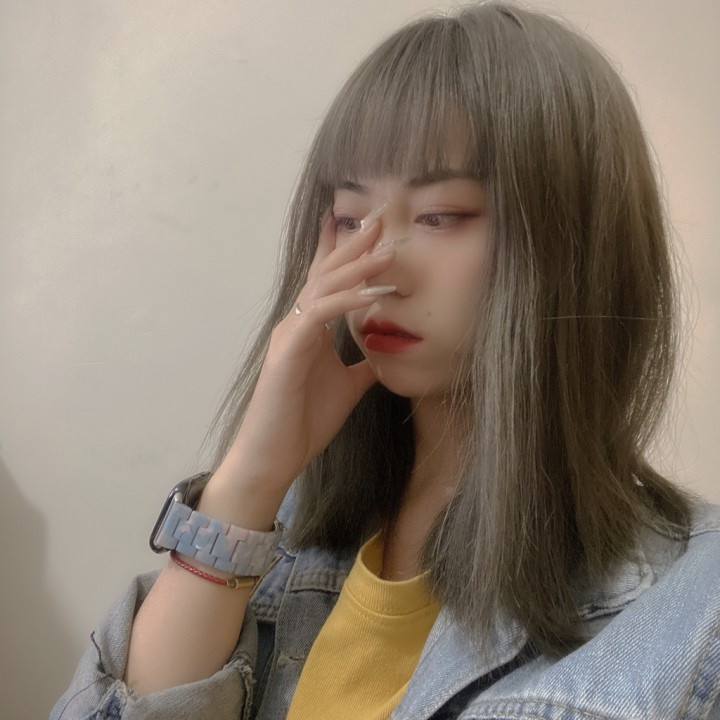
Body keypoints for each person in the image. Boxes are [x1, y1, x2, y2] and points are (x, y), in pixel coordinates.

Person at [52, 2, 720, 718]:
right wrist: (250, 479)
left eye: (441, 216)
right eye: (349, 219)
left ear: (575, 240)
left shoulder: (692, 615)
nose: (377, 270)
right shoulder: (282, 539)